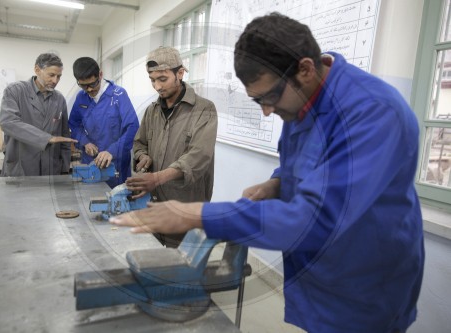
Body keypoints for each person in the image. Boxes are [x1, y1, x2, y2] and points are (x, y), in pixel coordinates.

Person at [111, 13, 425, 333]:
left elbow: (314, 220)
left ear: (304, 68)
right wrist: (276, 182)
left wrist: (197, 215)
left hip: (363, 279)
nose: (266, 110)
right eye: (257, 100)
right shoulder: (306, 94)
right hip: (317, 270)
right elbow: (303, 161)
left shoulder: (372, 113)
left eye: (270, 97)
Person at [124, 46, 218, 248]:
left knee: (183, 269)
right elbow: (139, 143)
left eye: (163, 79)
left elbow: (199, 156)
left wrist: (157, 177)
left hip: (186, 204)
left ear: (180, 73)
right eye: (152, 80)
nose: (157, 86)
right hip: (154, 203)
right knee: (155, 261)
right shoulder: (152, 111)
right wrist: (143, 156)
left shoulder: (204, 109)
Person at [0, 53, 77, 176]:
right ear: (37, 70)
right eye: (51, 75)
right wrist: (47, 138)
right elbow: (8, 122)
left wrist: (64, 167)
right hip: (21, 168)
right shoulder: (15, 91)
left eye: (59, 76)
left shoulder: (59, 99)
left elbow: (64, 135)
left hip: (50, 169)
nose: (55, 81)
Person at [69, 57, 139, 188]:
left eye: (93, 84)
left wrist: (112, 151)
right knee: (90, 200)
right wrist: (85, 142)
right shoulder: (81, 98)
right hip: (91, 163)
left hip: (115, 163)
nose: (89, 90)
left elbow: (132, 126)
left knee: (117, 203)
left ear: (100, 75)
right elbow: (73, 124)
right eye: (83, 85)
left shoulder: (118, 95)